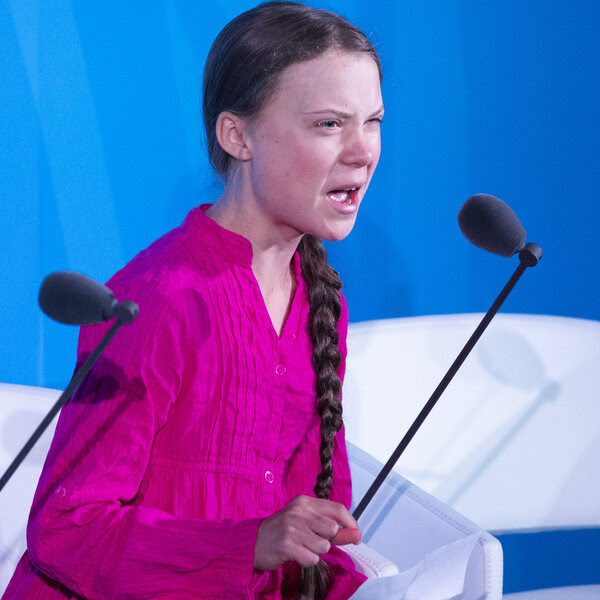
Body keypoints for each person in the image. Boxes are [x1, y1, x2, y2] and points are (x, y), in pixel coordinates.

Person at [2, 2, 383, 598]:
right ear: (237, 135)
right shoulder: (159, 299)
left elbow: (311, 535)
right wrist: (250, 543)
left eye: (374, 121)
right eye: (330, 124)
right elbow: (66, 529)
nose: (363, 151)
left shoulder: (320, 303)